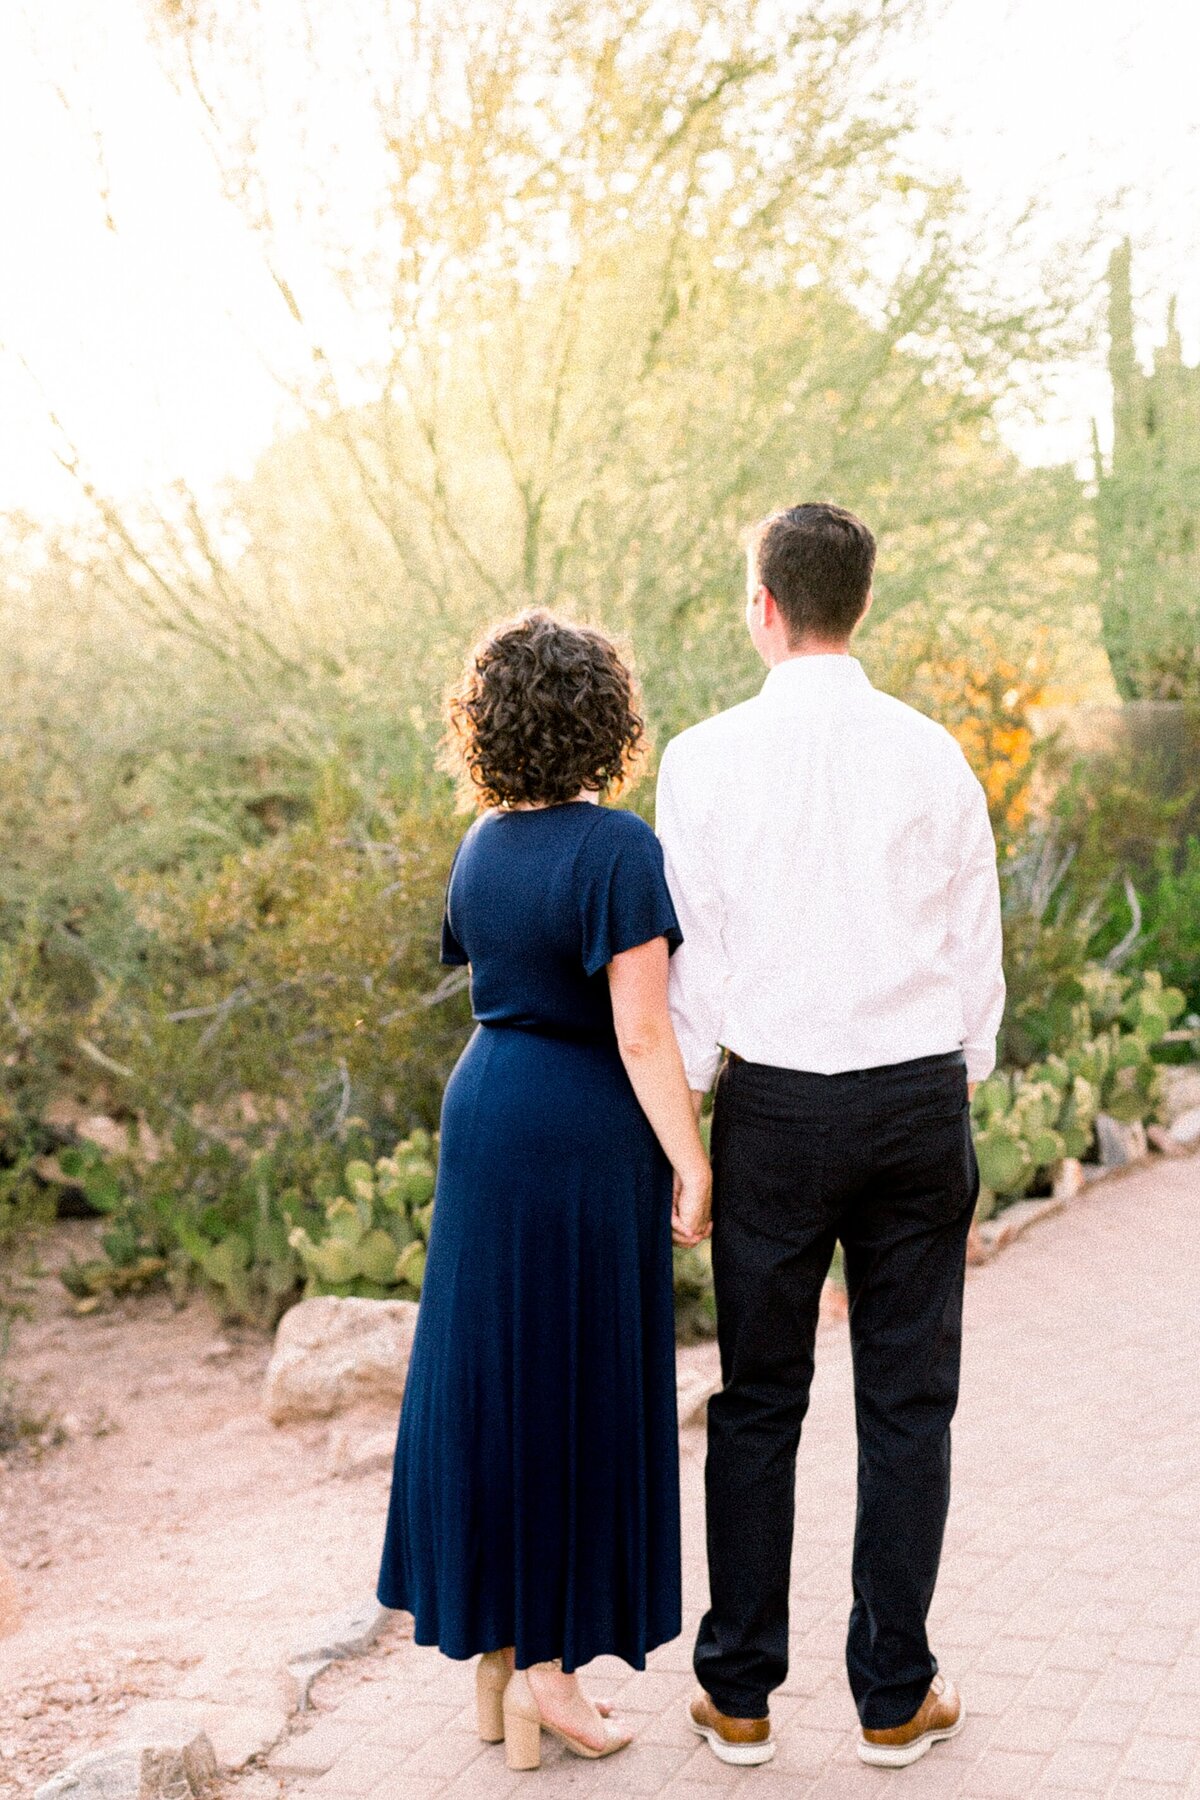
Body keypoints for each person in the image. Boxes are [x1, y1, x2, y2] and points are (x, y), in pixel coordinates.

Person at [656, 503, 1005, 1770]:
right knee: (908, 1403)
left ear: (763, 603)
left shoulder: (701, 760)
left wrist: (691, 1129)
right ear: (862, 604)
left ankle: (739, 1694)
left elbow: (691, 966)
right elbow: (977, 952)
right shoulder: (934, 753)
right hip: (916, 1098)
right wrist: (950, 1083)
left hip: (778, 1110)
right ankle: (893, 1696)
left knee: (759, 1401)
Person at [377, 610, 712, 1773]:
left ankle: (498, 1659)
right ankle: (550, 1675)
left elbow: (490, 970)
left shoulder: (480, 845)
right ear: (603, 717)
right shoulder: (617, 849)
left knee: (497, 1379)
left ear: (490, 725)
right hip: (578, 1136)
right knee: (572, 1388)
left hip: (484, 1116)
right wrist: (694, 1158)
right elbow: (638, 1032)